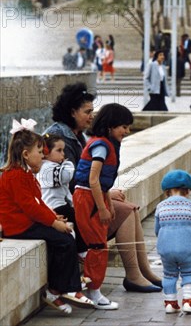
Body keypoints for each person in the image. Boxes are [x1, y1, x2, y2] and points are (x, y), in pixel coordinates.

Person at [45, 83, 162, 293]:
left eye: (93, 111)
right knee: (125, 211)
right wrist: (104, 200)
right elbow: (72, 181)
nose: (92, 116)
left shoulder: (78, 135)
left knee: (130, 208)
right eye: (87, 112)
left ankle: (144, 272)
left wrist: (108, 194)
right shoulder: (59, 138)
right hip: (65, 206)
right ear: (72, 112)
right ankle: (134, 275)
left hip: (77, 198)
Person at [0, 119, 94, 314]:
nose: (43, 158)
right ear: (26, 154)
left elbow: (37, 202)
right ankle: (68, 288)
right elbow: (30, 207)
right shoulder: (15, 176)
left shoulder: (24, 174)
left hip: (25, 223)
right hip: (18, 227)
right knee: (64, 240)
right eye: (40, 153)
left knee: (60, 239)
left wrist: (52, 216)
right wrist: (53, 223)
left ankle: (54, 291)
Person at [72, 103, 134, 310]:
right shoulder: (101, 146)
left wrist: (108, 203)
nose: (127, 131)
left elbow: (102, 182)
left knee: (98, 245)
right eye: (123, 127)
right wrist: (102, 208)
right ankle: (95, 293)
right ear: (110, 126)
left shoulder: (105, 144)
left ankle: (90, 287)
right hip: (87, 198)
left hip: (92, 198)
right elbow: (93, 180)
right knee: (98, 246)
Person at [155, 170, 191, 314]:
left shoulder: (160, 207)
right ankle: (188, 301)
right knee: (189, 272)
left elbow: (157, 230)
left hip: (165, 248)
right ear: (187, 190)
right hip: (186, 248)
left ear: (167, 191)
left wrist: (164, 240)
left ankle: (170, 303)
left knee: (169, 274)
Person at [38, 133, 87, 254]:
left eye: (63, 150)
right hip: (55, 207)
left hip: (58, 205)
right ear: (46, 152)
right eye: (59, 150)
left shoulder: (51, 166)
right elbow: (67, 175)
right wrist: (68, 163)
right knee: (77, 218)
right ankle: (82, 251)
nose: (63, 154)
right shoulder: (47, 168)